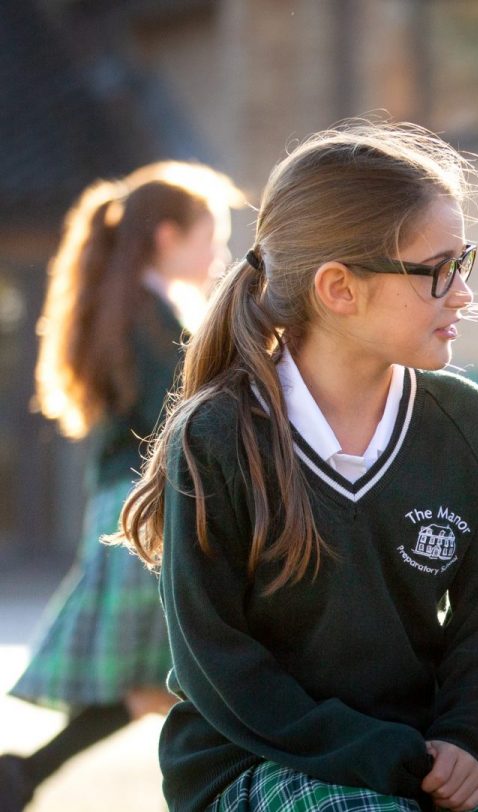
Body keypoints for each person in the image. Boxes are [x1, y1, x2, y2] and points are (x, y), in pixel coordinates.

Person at [117, 122, 478, 812]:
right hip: (252, 761)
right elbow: (218, 662)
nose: (462, 292)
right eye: (438, 270)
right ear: (339, 288)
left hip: (424, 756)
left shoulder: (471, 425)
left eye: (463, 263)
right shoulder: (219, 435)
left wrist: (471, 739)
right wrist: (382, 757)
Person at [2, 161, 242, 812]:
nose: (220, 252)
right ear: (167, 235)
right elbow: (189, 416)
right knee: (193, 674)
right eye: (210, 235)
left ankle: (18, 778)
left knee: (158, 684)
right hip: (150, 514)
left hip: (128, 508)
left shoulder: (131, 306)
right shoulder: (153, 321)